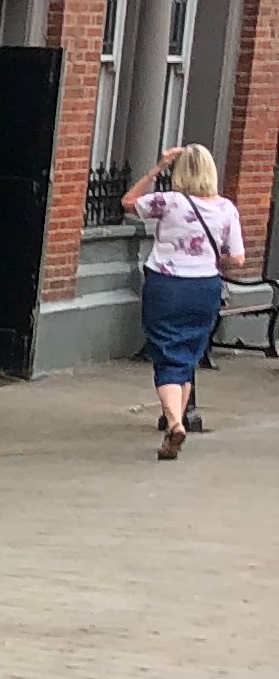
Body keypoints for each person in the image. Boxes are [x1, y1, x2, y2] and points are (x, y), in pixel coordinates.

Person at [123, 143, 246, 458]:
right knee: (188, 356)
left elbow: (128, 202)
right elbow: (238, 258)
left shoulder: (169, 202)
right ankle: (175, 427)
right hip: (204, 288)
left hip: (166, 286)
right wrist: (208, 256)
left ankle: (175, 422)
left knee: (166, 354)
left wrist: (157, 167)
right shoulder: (227, 208)